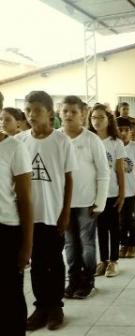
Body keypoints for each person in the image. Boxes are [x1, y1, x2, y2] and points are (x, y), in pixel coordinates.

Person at [17, 91, 77, 331]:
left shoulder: (61, 141)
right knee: (36, 262)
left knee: (53, 260)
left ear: (50, 113)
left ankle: (55, 307)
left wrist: (65, 212)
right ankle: (40, 306)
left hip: (53, 212)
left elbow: (69, 179)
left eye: (37, 110)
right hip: (29, 214)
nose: (31, 115)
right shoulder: (20, 141)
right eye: (28, 109)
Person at [59, 97, 110, 301]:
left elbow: (103, 172)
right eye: (65, 112)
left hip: (87, 202)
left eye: (73, 112)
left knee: (87, 243)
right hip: (63, 204)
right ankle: (73, 280)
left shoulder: (91, 140)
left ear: (82, 115)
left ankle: (88, 281)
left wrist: (100, 202)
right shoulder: (57, 138)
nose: (69, 115)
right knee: (70, 245)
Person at [0, 90, 33, 336]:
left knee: (10, 298)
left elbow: (25, 199)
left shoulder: (13, 147)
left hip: (6, 231)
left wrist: (27, 245)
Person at [89, 106, 125, 278]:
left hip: (111, 192)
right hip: (94, 193)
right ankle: (103, 261)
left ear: (108, 119)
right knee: (100, 228)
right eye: (93, 117)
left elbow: (119, 170)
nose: (96, 121)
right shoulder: (89, 139)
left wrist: (122, 193)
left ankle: (114, 261)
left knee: (114, 227)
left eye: (101, 117)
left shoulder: (115, 142)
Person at [116, 117, 135, 258]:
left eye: (127, 130)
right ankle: (123, 244)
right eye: (120, 130)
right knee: (120, 221)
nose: (124, 133)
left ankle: (132, 244)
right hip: (117, 191)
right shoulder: (114, 146)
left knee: (131, 219)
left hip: (131, 190)